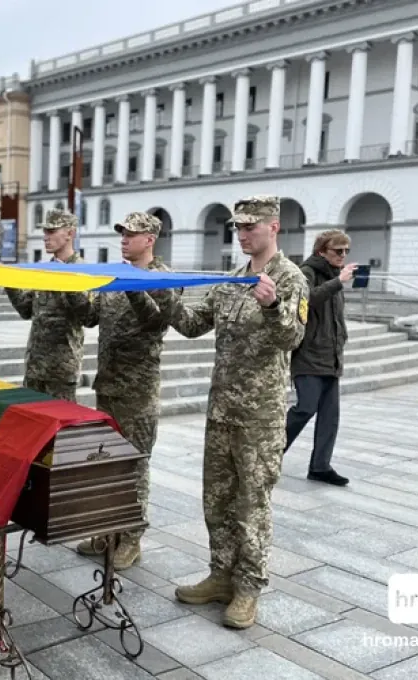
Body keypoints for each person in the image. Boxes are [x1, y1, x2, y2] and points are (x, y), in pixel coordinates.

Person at [148, 195, 307, 629]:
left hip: (261, 416)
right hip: (222, 410)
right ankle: (221, 575)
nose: (241, 234)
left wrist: (273, 305)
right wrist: (164, 296)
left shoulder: (290, 279)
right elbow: (193, 324)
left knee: (251, 504)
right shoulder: (231, 282)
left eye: (250, 227)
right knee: (217, 500)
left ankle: (249, 588)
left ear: (273, 227)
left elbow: (292, 338)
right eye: (237, 227)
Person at [72, 211, 178, 569]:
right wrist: (70, 288)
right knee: (106, 462)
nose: (123, 239)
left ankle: (131, 538)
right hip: (109, 386)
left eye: (131, 234)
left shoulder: (163, 278)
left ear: (149, 239)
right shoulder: (116, 273)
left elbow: (156, 321)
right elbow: (89, 317)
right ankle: (106, 530)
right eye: (122, 233)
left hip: (138, 391)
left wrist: (130, 286)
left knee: (134, 465)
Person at [285, 229, 357, 487]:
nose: (343, 255)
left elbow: (335, 318)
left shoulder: (335, 276)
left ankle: (320, 466)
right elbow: (307, 300)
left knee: (330, 414)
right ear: (321, 252)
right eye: (338, 251)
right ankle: (269, 454)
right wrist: (339, 282)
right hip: (308, 354)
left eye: (346, 251)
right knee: (305, 407)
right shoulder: (307, 272)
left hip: (331, 355)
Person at [3, 208, 86, 401]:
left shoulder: (82, 271)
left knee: (58, 428)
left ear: (70, 233)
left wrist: (66, 282)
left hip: (61, 370)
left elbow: (87, 315)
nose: (45, 238)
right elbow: (26, 309)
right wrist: (9, 282)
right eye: (44, 232)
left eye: (51, 231)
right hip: (35, 368)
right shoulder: (44, 270)